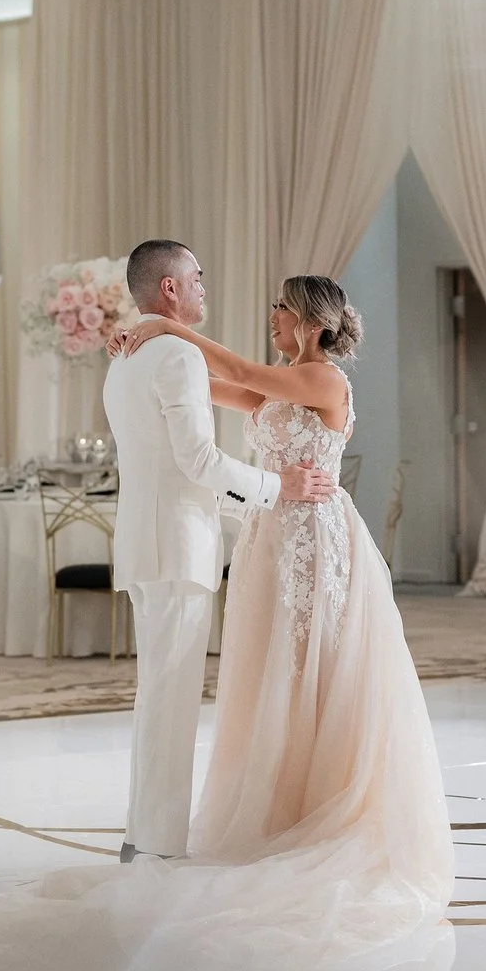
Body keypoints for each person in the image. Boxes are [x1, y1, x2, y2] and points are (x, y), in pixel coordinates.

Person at [105, 269, 453, 971]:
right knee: (271, 672)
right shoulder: (282, 381)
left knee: (311, 666)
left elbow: (230, 368)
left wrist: (165, 325)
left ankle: (320, 806)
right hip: (268, 537)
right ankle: (280, 803)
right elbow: (212, 385)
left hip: (315, 538)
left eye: (283, 309)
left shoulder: (323, 379)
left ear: (314, 322)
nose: (272, 316)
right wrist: (141, 349)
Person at [100, 240, 338, 864]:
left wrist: (142, 332)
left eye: (282, 308)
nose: (207, 286)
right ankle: (154, 843)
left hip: (153, 541)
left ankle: (145, 836)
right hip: (177, 544)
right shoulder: (166, 351)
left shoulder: (131, 357)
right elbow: (198, 460)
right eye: (197, 278)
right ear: (170, 289)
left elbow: (231, 392)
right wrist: (274, 489)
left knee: (163, 692)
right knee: (169, 695)